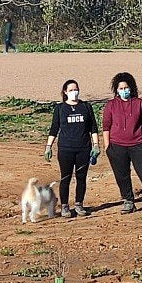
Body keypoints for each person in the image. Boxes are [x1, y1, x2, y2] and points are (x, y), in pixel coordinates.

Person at [46, 79, 99, 218]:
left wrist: (96, 145)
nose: (74, 92)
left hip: (83, 148)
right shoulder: (60, 108)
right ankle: (64, 206)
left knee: (81, 177)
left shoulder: (86, 107)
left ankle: (79, 204)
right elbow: (54, 129)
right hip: (65, 149)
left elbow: (93, 127)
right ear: (65, 92)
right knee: (66, 178)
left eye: (76, 89)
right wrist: (48, 146)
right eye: (70, 90)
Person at [102, 72, 142, 213]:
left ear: (131, 88)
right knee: (122, 175)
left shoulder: (140, 104)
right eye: (121, 88)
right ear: (116, 90)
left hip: (138, 144)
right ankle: (128, 200)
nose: (124, 91)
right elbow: (106, 125)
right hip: (117, 146)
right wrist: (107, 146)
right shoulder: (111, 105)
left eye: (126, 88)